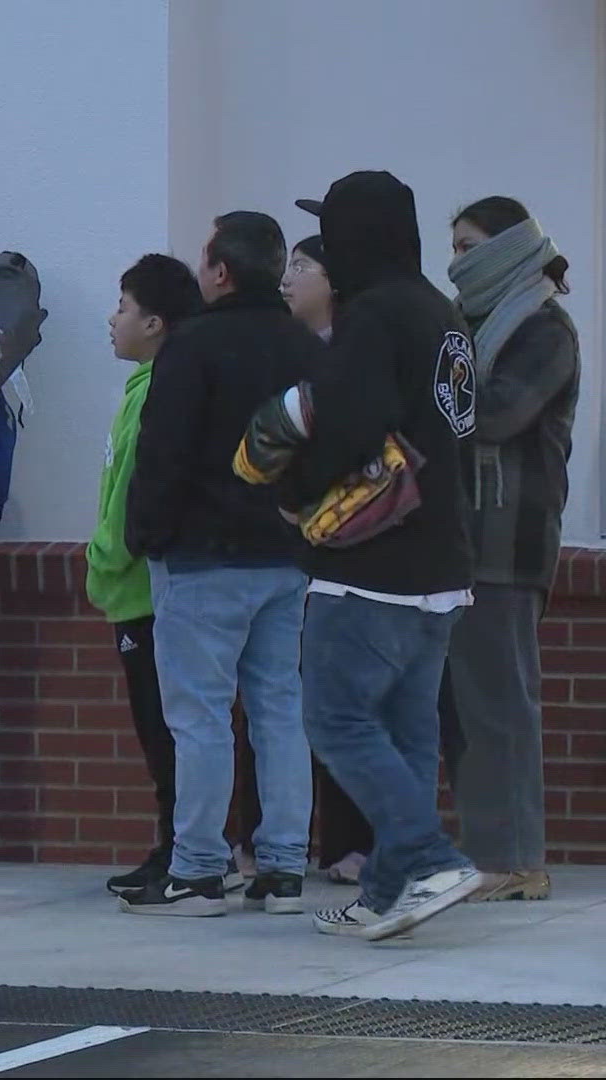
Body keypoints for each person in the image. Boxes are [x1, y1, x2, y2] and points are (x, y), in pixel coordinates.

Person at [246, 171, 483, 941]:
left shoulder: (374, 314)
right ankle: (389, 892)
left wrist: (294, 498)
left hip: (371, 567)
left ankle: (427, 856)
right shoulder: (440, 312)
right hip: (441, 561)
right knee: (408, 732)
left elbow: (347, 426)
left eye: (333, 231)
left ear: (361, 236)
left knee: (339, 720)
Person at [119, 211, 319, 918]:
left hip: (202, 556)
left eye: (206, 263)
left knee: (200, 717)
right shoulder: (305, 346)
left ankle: (201, 868)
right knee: (280, 709)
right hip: (286, 555)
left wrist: (148, 534)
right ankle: (285, 866)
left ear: (223, 271)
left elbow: (163, 452)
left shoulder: (194, 345)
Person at [440, 196, 579, 903]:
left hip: (508, 542)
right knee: (467, 707)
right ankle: (492, 851)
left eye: (467, 247)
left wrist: (429, 388)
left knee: (500, 703)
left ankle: (516, 859)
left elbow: (491, 415)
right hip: (464, 540)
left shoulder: (543, 328)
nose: (454, 263)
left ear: (505, 249)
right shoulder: (476, 325)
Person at [88, 254, 204, 895]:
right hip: (129, 590)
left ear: (156, 322)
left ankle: (178, 850)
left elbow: (134, 493)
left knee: (165, 730)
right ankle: (172, 845)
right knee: (156, 728)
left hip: (144, 591)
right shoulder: (141, 387)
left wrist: (105, 554)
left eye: (124, 308)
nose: (113, 319)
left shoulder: (160, 392)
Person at [281, 233, 374, 885]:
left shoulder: (360, 352)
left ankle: (357, 842)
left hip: (355, 551)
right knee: (304, 700)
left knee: (355, 700)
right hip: (294, 553)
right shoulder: (291, 352)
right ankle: (320, 841)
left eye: (302, 265)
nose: (288, 277)